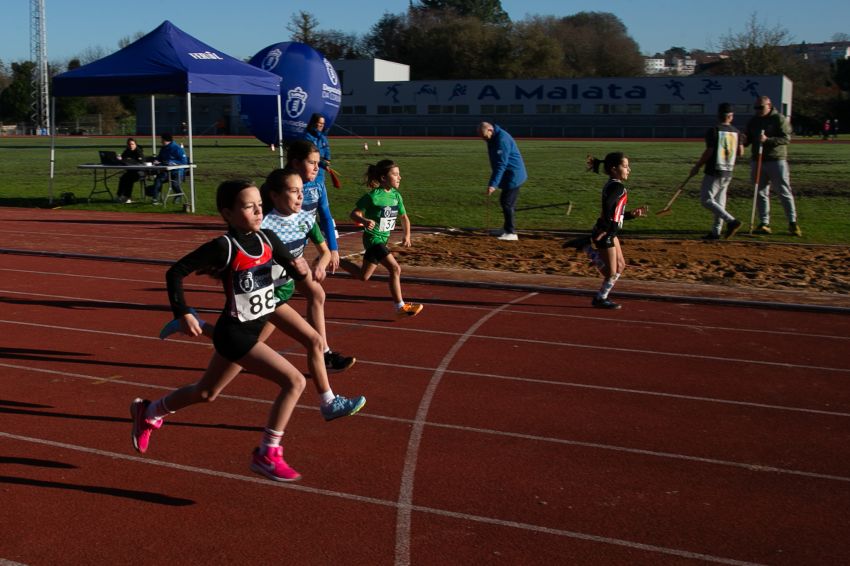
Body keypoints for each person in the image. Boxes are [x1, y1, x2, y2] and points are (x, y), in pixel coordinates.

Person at [131, 179, 312, 482]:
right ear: (228, 213)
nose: (257, 210)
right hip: (235, 334)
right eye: (247, 205)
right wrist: (183, 311)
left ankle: (149, 411)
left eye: (259, 204)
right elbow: (175, 273)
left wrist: (303, 268)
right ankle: (268, 453)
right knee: (294, 381)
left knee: (206, 392)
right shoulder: (224, 247)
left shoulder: (268, 238)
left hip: (253, 327)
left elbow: (292, 271)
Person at [283, 141, 354, 370]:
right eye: (311, 163)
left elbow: (324, 216)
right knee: (269, 315)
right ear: (295, 163)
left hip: (295, 255)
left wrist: (332, 250)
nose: (317, 168)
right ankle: (323, 354)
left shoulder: (317, 187)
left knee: (314, 296)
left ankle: (324, 355)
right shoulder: (279, 188)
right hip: (276, 259)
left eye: (318, 163)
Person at [339, 159, 423, 317]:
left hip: (382, 240)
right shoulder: (373, 196)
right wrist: (364, 221)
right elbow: (354, 214)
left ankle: (333, 258)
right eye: (395, 174)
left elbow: (404, 217)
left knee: (363, 276)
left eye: (399, 174)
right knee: (395, 268)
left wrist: (407, 235)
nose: (400, 177)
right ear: (384, 178)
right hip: (373, 239)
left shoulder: (396, 196)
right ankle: (400, 307)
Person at [567, 153, 648, 310]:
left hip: (610, 231)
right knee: (610, 272)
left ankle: (601, 297)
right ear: (614, 169)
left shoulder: (614, 185)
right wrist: (605, 228)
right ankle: (586, 247)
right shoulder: (617, 187)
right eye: (625, 166)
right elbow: (608, 207)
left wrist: (631, 215)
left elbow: (615, 213)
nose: (629, 169)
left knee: (621, 265)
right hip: (605, 232)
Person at [743, 96, 802, 237]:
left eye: (760, 107)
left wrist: (768, 140)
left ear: (769, 105)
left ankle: (792, 223)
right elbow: (749, 138)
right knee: (760, 192)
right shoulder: (754, 121)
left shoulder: (779, 119)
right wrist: (743, 139)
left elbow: (786, 139)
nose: (757, 110)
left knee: (783, 191)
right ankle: (764, 223)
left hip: (776, 160)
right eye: (756, 108)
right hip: (758, 160)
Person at [691, 102, 744, 240]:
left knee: (706, 200)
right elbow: (741, 152)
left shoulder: (714, 130)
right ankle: (716, 232)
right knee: (719, 203)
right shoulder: (736, 132)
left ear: (718, 116)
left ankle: (731, 221)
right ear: (731, 116)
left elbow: (709, 152)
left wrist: (697, 166)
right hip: (728, 170)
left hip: (714, 171)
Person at [477, 121, 527, 241]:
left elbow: (501, 165)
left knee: (507, 203)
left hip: (513, 175)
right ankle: (506, 228)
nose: (484, 139)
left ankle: (511, 232)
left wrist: (493, 185)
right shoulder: (493, 138)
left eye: (484, 136)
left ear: (490, 130)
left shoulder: (501, 140)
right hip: (508, 174)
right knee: (505, 202)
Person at [149, 132, 188, 205]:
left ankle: (178, 195)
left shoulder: (177, 148)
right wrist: (156, 161)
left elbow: (184, 161)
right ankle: (155, 199)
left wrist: (172, 162)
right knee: (158, 180)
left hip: (177, 171)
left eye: (162, 140)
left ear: (166, 140)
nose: (161, 142)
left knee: (174, 184)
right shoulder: (163, 149)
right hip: (166, 171)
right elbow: (159, 158)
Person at [302, 113, 332, 186]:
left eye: (323, 123)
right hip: (311, 171)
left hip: (321, 172)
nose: (322, 125)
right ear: (314, 123)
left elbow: (327, 149)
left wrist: (328, 160)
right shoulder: (307, 137)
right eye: (320, 123)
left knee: (320, 191)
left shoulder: (323, 137)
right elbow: (311, 154)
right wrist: (323, 163)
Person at [116, 137, 144, 204]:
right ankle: (119, 195)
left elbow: (141, 162)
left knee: (129, 179)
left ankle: (127, 197)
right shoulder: (127, 151)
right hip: (130, 171)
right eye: (129, 144)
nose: (131, 146)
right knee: (122, 178)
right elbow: (122, 158)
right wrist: (119, 159)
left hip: (140, 172)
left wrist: (130, 160)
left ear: (135, 144)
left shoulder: (138, 151)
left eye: (132, 144)